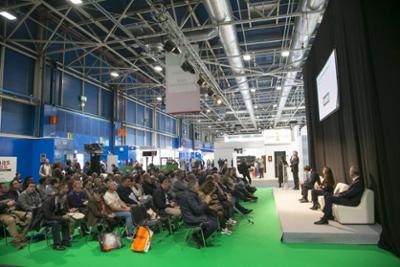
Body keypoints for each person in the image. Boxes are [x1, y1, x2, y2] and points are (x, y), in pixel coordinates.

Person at [179, 177, 218, 248]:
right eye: (197, 186)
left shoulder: (190, 194)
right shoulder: (190, 196)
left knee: (212, 215)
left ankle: (198, 235)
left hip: (191, 216)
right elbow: (198, 210)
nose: (199, 188)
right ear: (193, 188)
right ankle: (200, 239)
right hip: (191, 219)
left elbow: (197, 208)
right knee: (214, 224)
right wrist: (206, 202)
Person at [0, 183, 31, 249]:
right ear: (0, 189)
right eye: (4, 187)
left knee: (29, 217)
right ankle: (16, 241)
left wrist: (14, 206)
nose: (7, 188)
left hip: (12, 211)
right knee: (11, 220)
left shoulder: (9, 194)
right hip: (2, 214)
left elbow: (17, 203)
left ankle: (21, 237)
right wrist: (6, 205)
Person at [42, 183, 71, 250]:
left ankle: (65, 241)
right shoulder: (47, 201)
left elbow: (60, 213)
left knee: (65, 220)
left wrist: (64, 209)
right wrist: (61, 217)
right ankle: (57, 244)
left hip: (53, 218)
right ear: (58, 197)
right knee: (55, 223)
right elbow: (48, 216)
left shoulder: (58, 201)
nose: (64, 201)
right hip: (44, 219)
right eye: (63, 200)